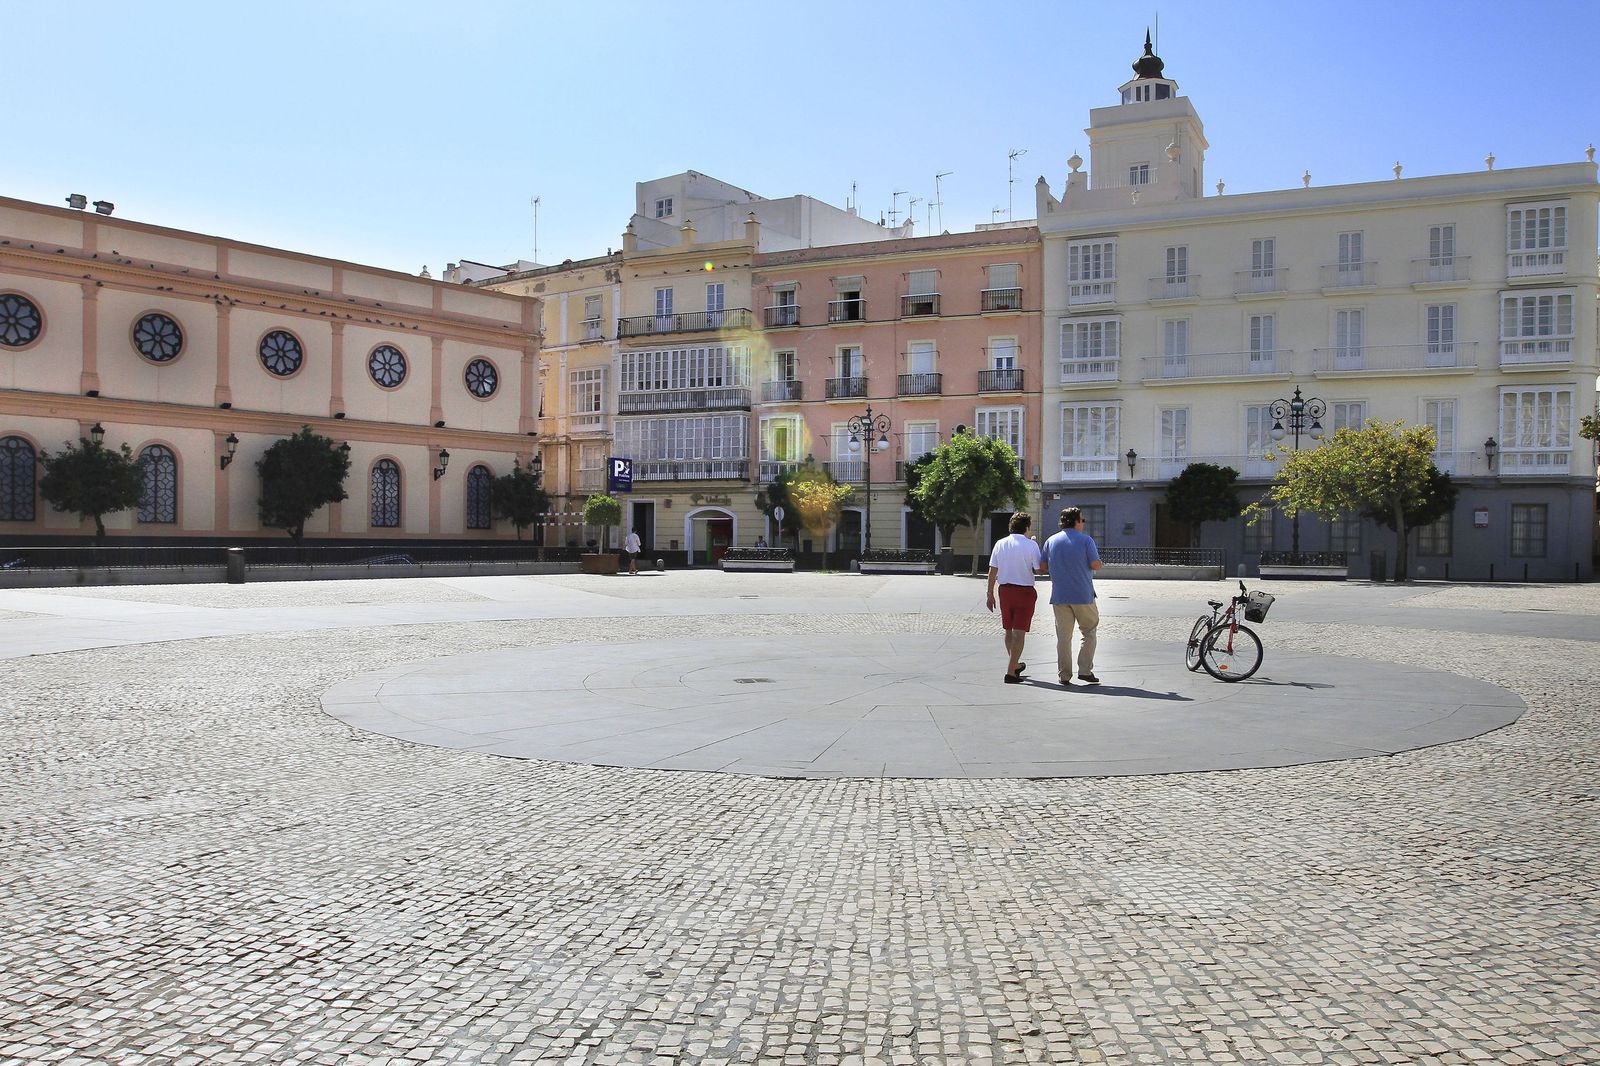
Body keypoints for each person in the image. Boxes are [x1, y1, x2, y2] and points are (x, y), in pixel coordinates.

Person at [1043, 506, 1104, 685]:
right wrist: (1099, 563)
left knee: (1063, 637)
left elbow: (1042, 567)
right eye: (1082, 520)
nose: (1083, 523)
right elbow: (1094, 564)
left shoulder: (1050, 541)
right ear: (1077, 521)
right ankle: (1084, 670)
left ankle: (1064, 674)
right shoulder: (1086, 540)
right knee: (1089, 631)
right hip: (1083, 595)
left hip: (1060, 596)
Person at [985, 511, 1044, 684]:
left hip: (1005, 591)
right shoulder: (1030, 545)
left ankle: (1015, 663)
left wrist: (990, 593)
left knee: (1009, 629)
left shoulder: (1000, 543)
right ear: (1027, 527)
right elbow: (1038, 570)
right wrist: (1035, 545)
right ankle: (1011, 671)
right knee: (1019, 632)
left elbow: (992, 570)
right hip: (1024, 591)